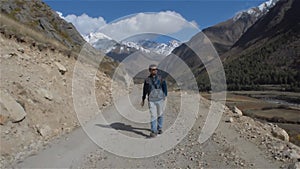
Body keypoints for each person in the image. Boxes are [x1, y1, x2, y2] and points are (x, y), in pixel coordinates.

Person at [141, 64, 167, 138]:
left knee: (160, 114)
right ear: (149, 70)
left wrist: (165, 95)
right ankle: (153, 131)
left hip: (160, 99)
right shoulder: (147, 80)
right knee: (153, 115)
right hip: (151, 100)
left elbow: (164, 87)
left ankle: (160, 128)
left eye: (156, 69)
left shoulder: (161, 78)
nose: (154, 70)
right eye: (153, 69)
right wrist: (143, 99)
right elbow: (144, 90)